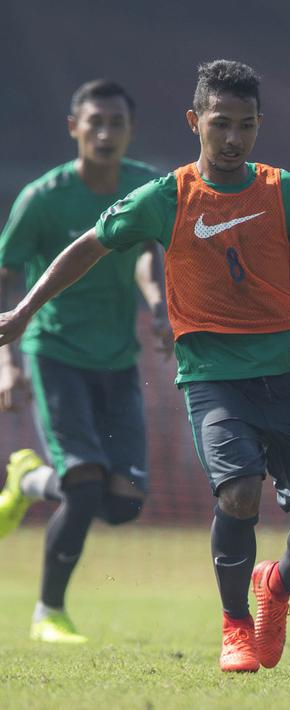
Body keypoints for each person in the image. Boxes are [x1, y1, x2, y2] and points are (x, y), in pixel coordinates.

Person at [0, 60, 290, 673]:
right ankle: (236, 628)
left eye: (246, 126)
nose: (232, 139)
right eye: (220, 124)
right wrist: (23, 311)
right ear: (194, 121)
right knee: (241, 491)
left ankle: (273, 585)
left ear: (258, 126)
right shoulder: (166, 196)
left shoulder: (287, 191)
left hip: (287, 371)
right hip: (212, 377)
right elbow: (90, 245)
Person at [0, 79, 167, 644]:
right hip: (56, 353)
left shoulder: (146, 185)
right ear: (73, 127)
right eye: (93, 121)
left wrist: (160, 307)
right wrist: (8, 364)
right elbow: (5, 281)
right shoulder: (42, 199)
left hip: (118, 358)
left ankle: (28, 480)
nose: (104, 132)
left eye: (115, 123)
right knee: (86, 482)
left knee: (123, 504)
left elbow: (147, 255)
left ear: (130, 131)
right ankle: (49, 612)